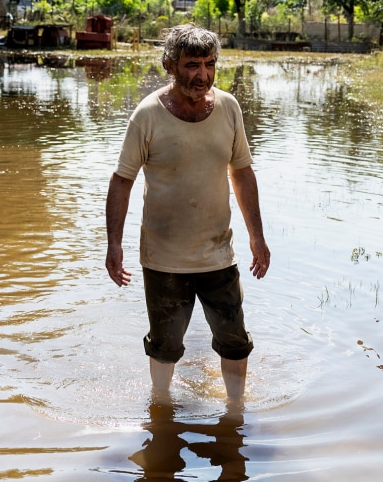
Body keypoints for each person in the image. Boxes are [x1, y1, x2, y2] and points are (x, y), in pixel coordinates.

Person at [105, 23, 270, 403]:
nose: (203, 75)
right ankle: (161, 410)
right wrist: (114, 245)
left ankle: (235, 413)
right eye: (193, 65)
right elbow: (121, 181)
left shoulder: (228, 108)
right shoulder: (147, 116)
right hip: (164, 259)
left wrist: (257, 236)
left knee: (234, 341)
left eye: (209, 64)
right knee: (164, 346)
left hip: (217, 254)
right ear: (170, 65)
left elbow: (242, 173)